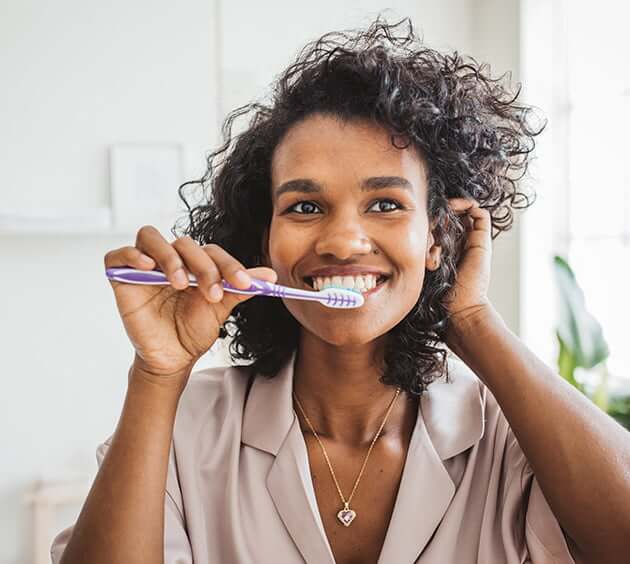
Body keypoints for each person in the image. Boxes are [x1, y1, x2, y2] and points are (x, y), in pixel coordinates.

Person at [51, 16, 630, 564]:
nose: (343, 241)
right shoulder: (186, 428)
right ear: (266, 242)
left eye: (385, 203)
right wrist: (157, 374)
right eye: (305, 206)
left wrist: (472, 319)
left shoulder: (512, 436)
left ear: (436, 238)